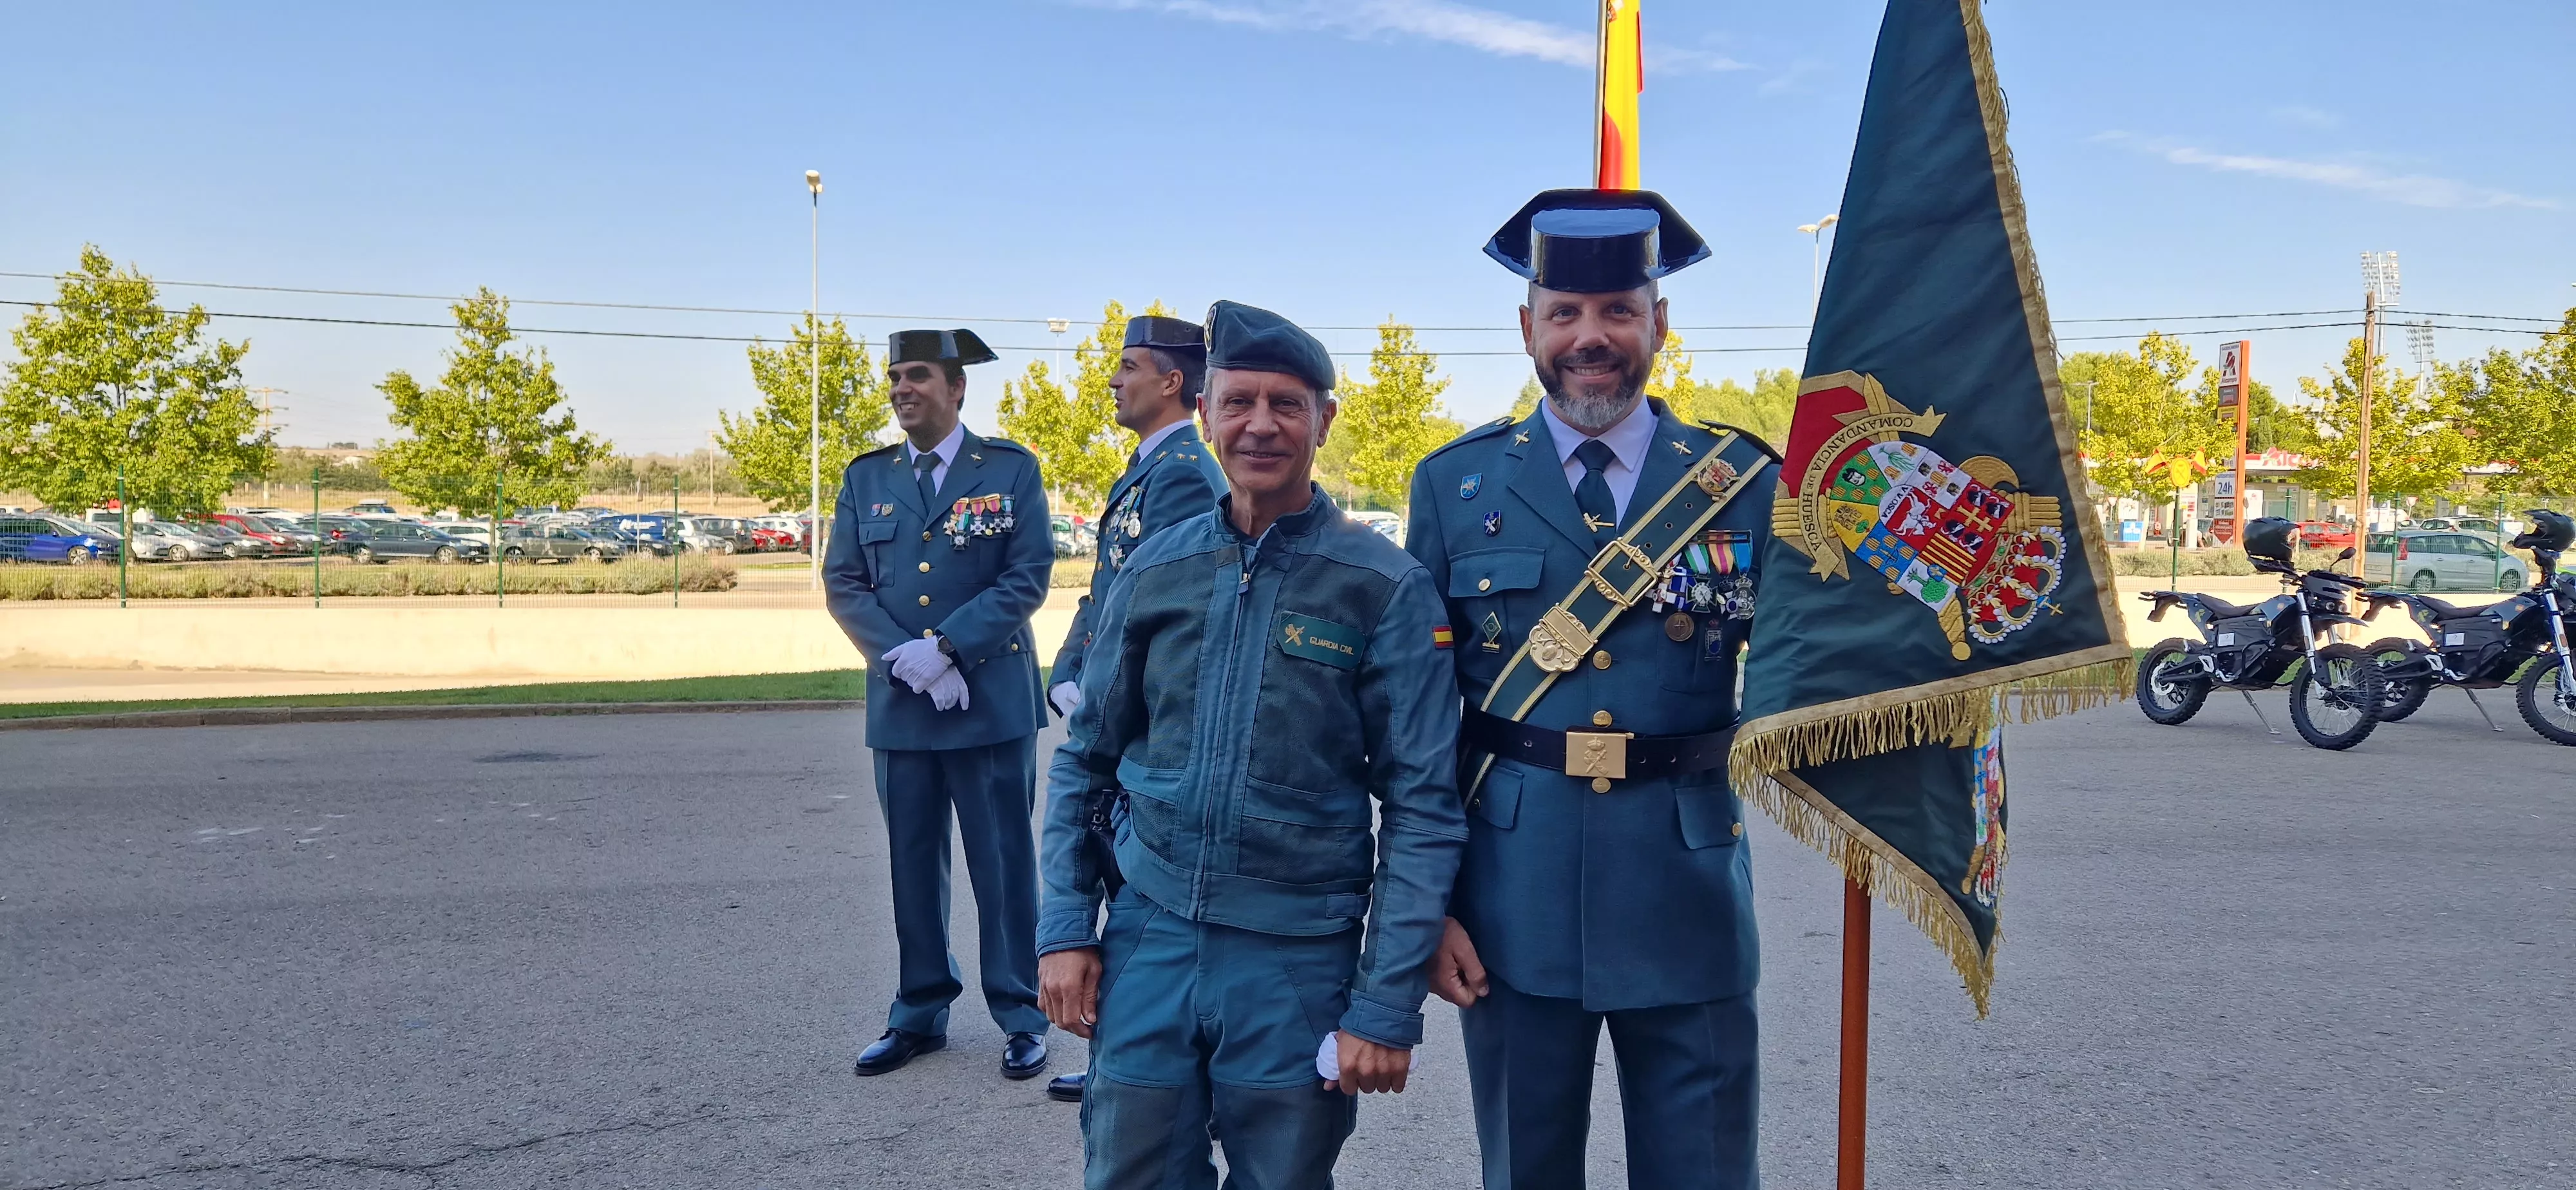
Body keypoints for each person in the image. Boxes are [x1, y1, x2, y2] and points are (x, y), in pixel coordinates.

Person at [1036, 301, 1467, 1189]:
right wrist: (1066, 929)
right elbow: (1086, 757)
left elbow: (1422, 805)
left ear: (1324, 420)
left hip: (1295, 957)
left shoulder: (1382, 586)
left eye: (1286, 404)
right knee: (1129, 1174)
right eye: (1238, 402)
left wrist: (1384, 1006)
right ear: (1205, 413)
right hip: (1150, 936)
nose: (1260, 425)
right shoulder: (1159, 567)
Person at [1404, 190, 1783, 1189]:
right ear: (1527, 327)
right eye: (1564, 312)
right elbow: (1419, 722)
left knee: (1706, 1175)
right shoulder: (1454, 486)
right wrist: (1427, 905)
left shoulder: (1746, 483)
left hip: (1689, 890)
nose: (1590, 337)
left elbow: (1808, 671)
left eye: (1619, 309)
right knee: (1525, 1172)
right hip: (1512, 897)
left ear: (1660, 322)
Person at [824, 327, 1056, 1083]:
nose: (902, 388)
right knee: (912, 865)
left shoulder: (1010, 469)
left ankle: (1022, 1013)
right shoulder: (868, 476)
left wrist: (951, 648)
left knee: (1003, 865)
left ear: (957, 388)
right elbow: (844, 582)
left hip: (988, 704)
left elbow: (1027, 574)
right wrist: (910, 662)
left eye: (918, 375)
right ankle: (919, 1011)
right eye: (895, 376)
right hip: (904, 707)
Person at [1043, 314, 1230, 1105]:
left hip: (1148, 719)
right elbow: (1106, 590)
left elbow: (1171, 611)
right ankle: (1125, 1053)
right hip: (1112, 697)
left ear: (1173, 382)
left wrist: (1110, 692)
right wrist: (1070, 669)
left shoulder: (1183, 472)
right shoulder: (1148, 465)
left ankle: (1144, 1061)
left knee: (1137, 892)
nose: (1114, 380)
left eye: (1129, 367)